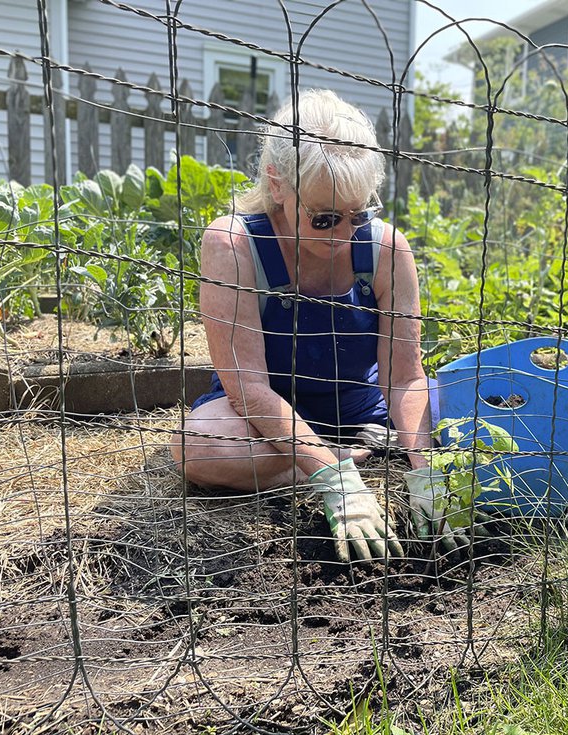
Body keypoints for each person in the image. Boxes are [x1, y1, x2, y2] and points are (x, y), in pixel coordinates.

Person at [171, 89, 460, 564]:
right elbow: (247, 391)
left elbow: (405, 377)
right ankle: (334, 460)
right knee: (200, 447)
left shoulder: (386, 250)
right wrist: (337, 481)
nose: (345, 234)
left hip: (364, 411)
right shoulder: (233, 245)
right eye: (324, 218)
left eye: (358, 214)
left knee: (503, 422)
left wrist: (426, 470)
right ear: (277, 184)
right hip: (260, 422)